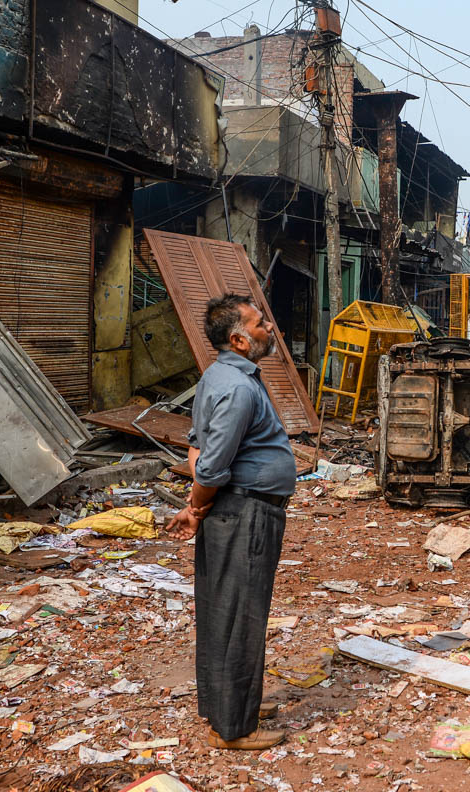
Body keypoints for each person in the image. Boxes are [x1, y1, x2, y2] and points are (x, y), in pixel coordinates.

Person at [166, 294, 296, 750]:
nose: (269, 330)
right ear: (239, 339)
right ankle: (235, 728)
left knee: (226, 610)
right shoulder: (238, 387)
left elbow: (198, 443)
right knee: (241, 614)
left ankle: (230, 703)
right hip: (245, 513)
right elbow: (211, 466)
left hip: (236, 510)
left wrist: (196, 506)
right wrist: (197, 506)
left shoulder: (218, 375)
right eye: (261, 325)